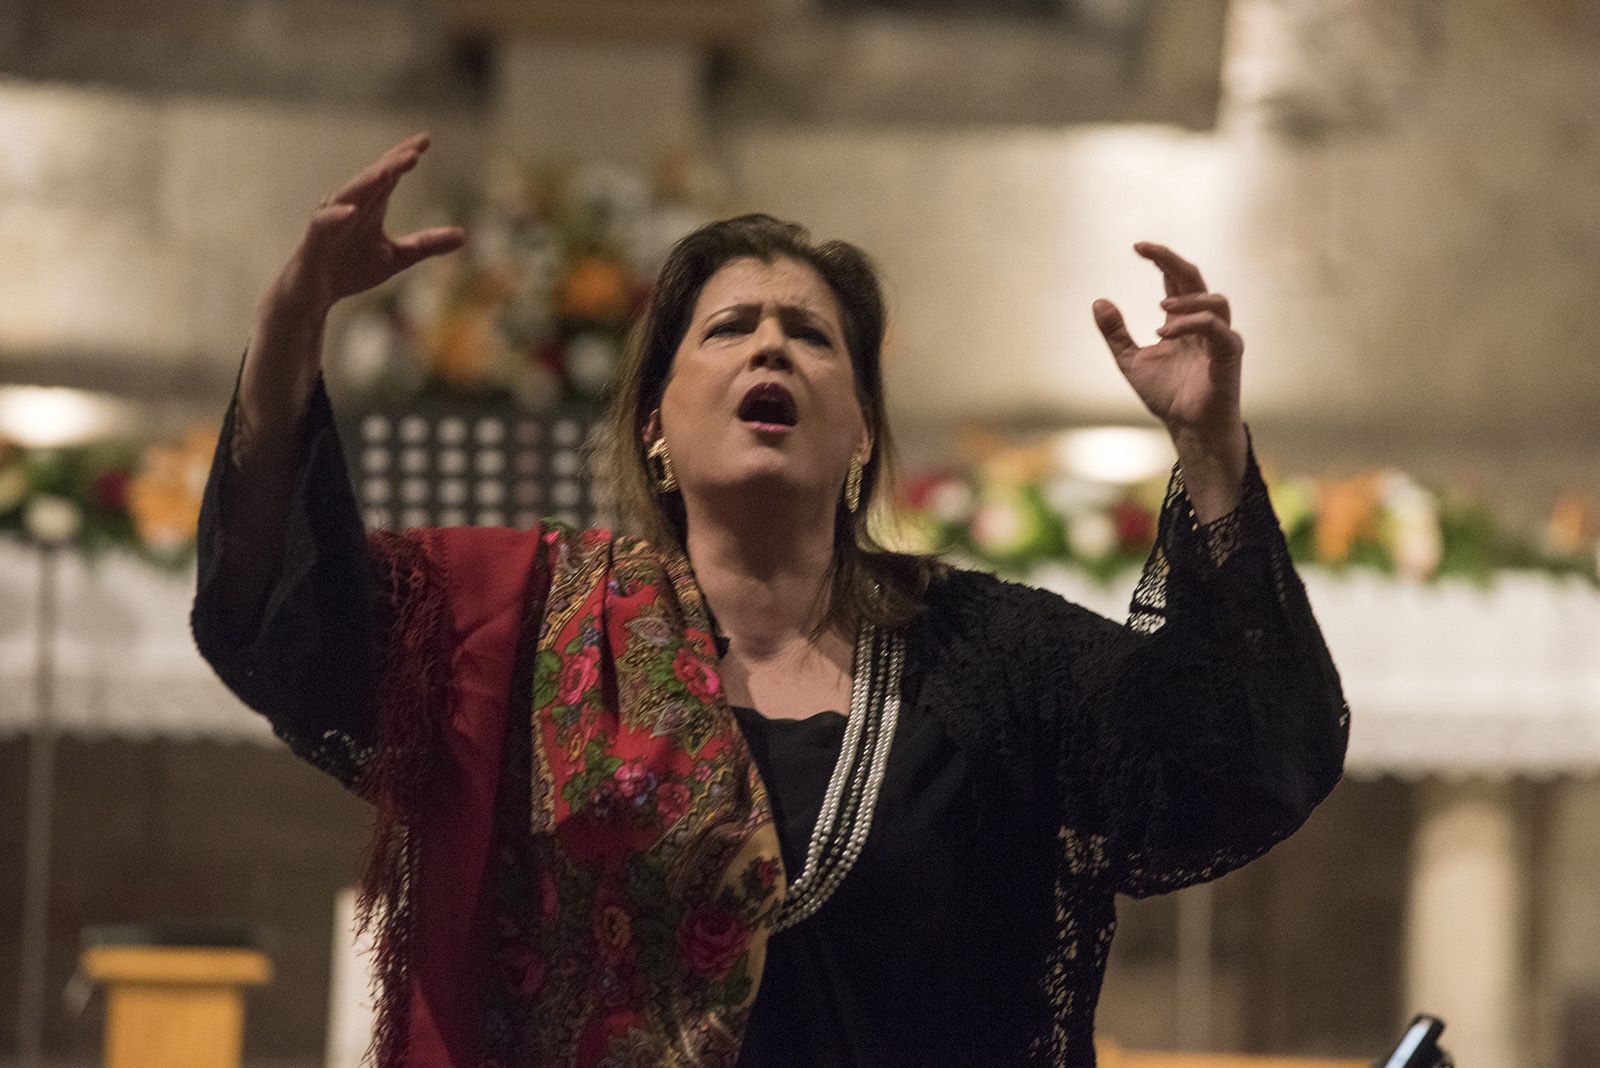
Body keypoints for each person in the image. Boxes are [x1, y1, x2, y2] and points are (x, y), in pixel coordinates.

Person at [192, 133, 1348, 1068]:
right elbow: (284, 619)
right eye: (731, 328)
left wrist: (1208, 450)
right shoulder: (518, 626)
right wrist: (290, 325)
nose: (772, 350)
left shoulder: (990, 657)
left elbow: (1242, 760)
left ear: (858, 432)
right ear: (654, 421)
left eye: (811, 336)